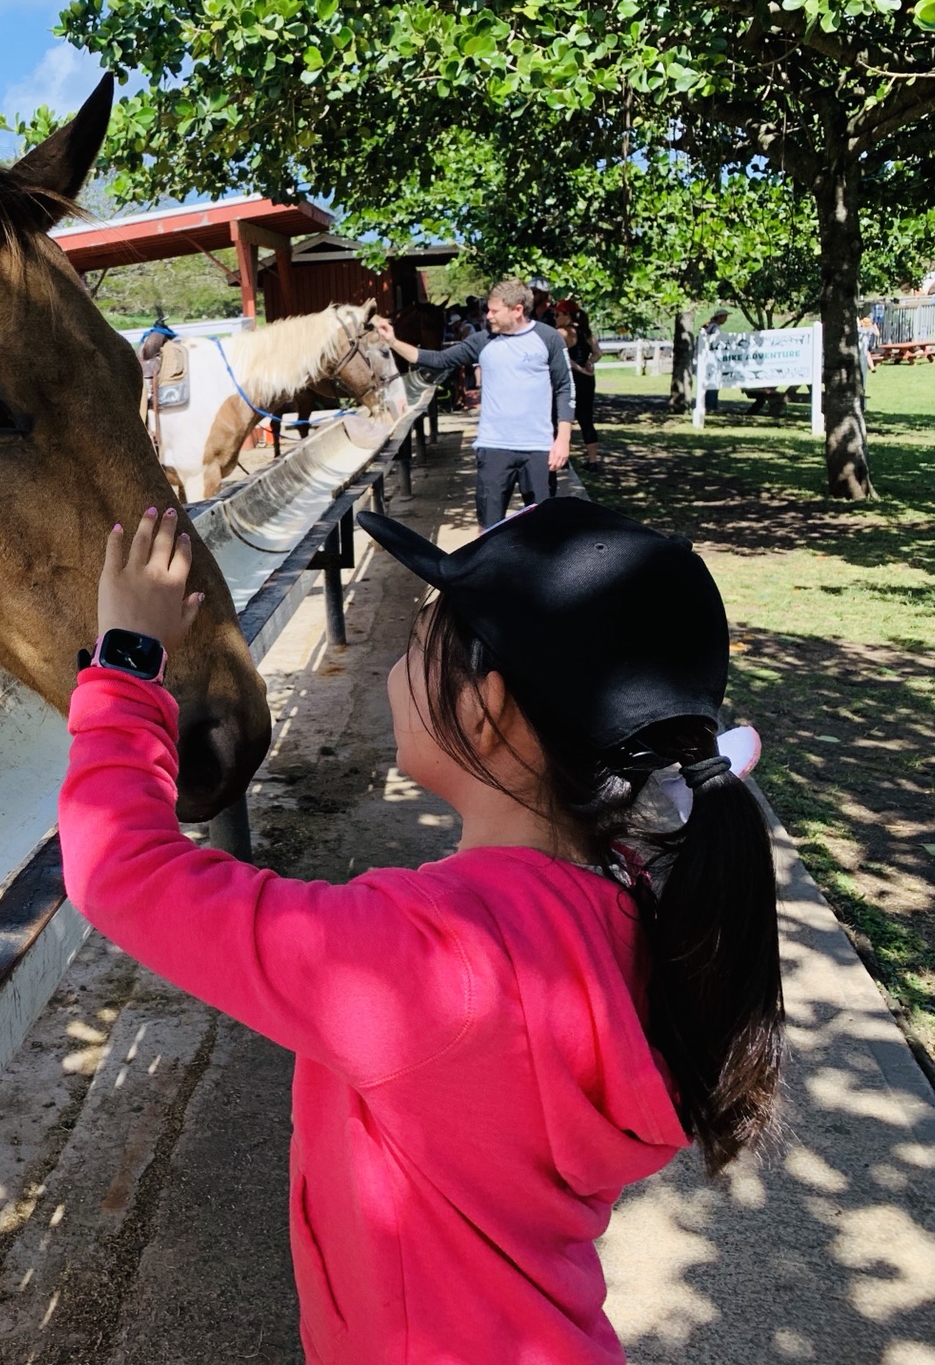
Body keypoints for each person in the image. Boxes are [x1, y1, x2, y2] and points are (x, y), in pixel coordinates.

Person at [61, 496, 781, 1365]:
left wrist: (129, 661)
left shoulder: (423, 960)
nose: (397, 664)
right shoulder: (636, 902)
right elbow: (686, 785)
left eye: (417, 641)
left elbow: (120, 872)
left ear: (488, 708)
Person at [376, 278, 573, 528]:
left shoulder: (548, 338)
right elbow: (437, 360)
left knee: (543, 528)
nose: (488, 315)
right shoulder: (482, 341)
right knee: (489, 528)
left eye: (493, 310)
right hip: (493, 449)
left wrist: (562, 439)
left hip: (539, 449)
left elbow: (565, 388)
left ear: (517, 309)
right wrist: (393, 342)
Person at [564, 308, 603, 469]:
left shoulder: (564, 333)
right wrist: (589, 362)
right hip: (587, 379)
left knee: (565, 418)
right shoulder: (587, 333)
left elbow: (565, 357)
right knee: (586, 418)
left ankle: (564, 456)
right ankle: (593, 460)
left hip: (571, 378)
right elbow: (598, 353)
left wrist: (578, 368)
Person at [700, 310, 729, 416]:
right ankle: (711, 406)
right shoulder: (715, 329)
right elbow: (714, 342)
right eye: (725, 317)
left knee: (709, 382)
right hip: (712, 359)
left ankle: (709, 405)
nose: (726, 319)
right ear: (720, 317)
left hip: (707, 359)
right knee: (713, 382)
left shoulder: (709, 327)